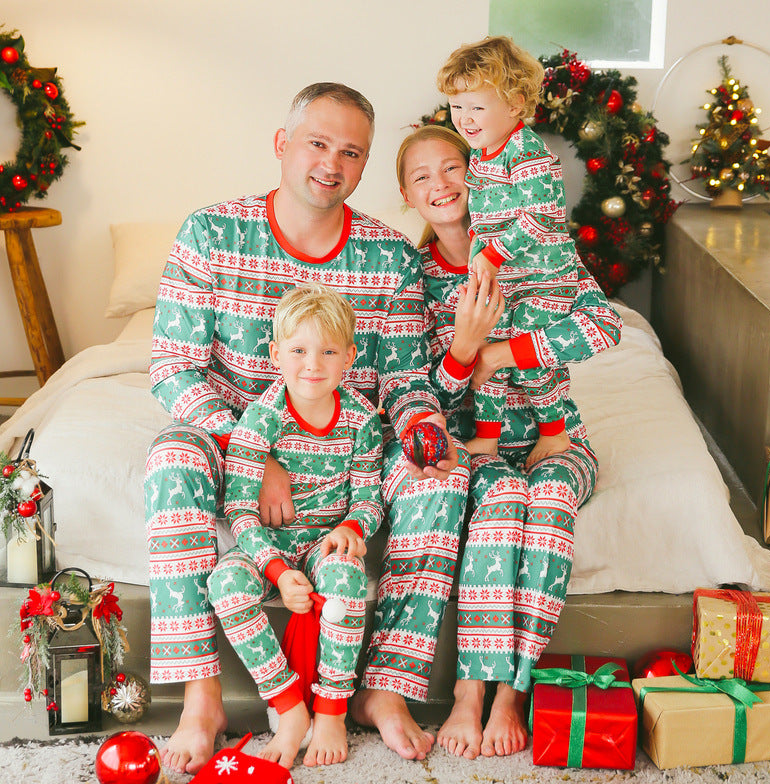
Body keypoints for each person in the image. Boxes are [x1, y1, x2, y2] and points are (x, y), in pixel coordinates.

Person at [144, 82, 469, 774]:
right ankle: (201, 696)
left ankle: (384, 686)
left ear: (363, 166)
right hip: (238, 429)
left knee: (444, 475)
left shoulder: (389, 259)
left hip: (349, 441)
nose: (331, 162)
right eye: (317, 143)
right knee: (171, 456)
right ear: (282, 145)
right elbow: (173, 371)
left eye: (351, 152)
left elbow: (407, 381)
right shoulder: (211, 232)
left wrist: (424, 434)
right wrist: (252, 451)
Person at [396, 124, 622, 758]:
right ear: (408, 196)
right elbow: (424, 397)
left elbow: (602, 326)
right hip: (481, 449)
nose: (440, 184)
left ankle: (511, 695)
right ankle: (470, 692)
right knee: (496, 518)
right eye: (422, 177)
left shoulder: (537, 246)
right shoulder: (415, 278)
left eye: (452, 167)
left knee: (549, 510)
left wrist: (501, 351)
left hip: (560, 441)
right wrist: (465, 348)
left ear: (482, 176)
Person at [207, 284, 382, 769]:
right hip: (270, 548)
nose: (313, 364)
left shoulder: (362, 420)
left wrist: (353, 528)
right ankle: (290, 708)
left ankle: (330, 709)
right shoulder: (260, 422)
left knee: (346, 578)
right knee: (225, 583)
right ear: (276, 353)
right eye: (299, 350)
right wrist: (278, 572)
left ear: (348, 355)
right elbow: (241, 509)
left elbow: (369, 496)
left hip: (322, 543)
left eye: (328, 351)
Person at [436, 36, 580, 468]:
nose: (464, 118)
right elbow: (485, 220)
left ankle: (555, 434)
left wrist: (492, 256)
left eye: (476, 107)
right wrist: (482, 267)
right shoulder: (481, 158)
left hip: (543, 279)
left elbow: (542, 215)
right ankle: (488, 437)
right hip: (506, 281)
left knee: (531, 352)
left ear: (515, 104)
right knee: (489, 352)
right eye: (456, 107)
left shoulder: (527, 153)